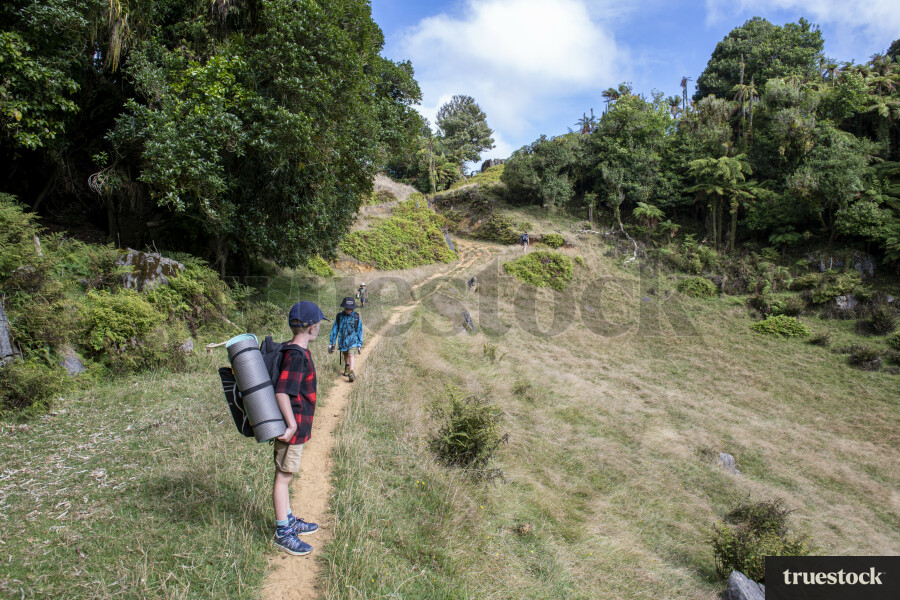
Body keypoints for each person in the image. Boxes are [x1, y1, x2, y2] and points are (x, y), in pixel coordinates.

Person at [272, 301, 328, 555]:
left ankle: (289, 518)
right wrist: (292, 424)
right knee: (283, 477)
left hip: (296, 428)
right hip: (292, 428)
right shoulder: (296, 355)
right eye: (318, 325)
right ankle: (283, 531)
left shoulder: (294, 350)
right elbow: (282, 392)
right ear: (312, 327)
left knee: (287, 474)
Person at [329, 297, 363, 382]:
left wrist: (359, 344)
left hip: (353, 341)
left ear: (353, 308)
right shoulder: (339, 316)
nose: (348, 310)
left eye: (350, 309)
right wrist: (332, 342)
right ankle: (347, 367)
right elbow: (335, 329)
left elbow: (360, 331)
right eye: (346, 309)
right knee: (345, 355)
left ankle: (351, 372)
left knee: (351, 354)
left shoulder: (356, 317)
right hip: (342, 341)